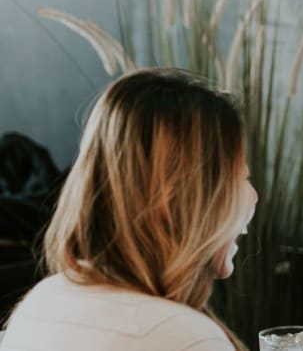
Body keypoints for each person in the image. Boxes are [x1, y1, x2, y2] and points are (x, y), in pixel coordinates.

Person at [1, 69, 257, 350]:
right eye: (241, 179)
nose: (252, 197)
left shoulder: (42, 302)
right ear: (173, 200)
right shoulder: (185, 338)